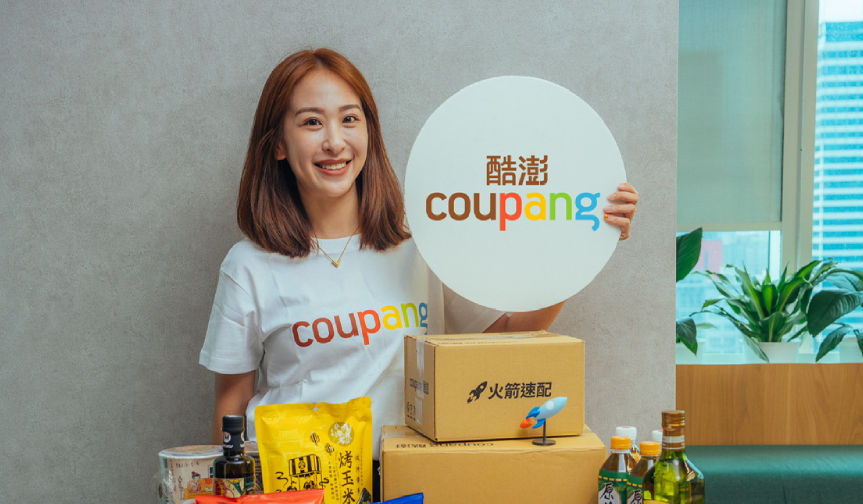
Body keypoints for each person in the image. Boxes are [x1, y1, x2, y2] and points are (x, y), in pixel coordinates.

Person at [199, 48, 638, 468]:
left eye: (349, 119)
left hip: (406, 485)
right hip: (295, 489)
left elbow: (505, 333)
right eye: (312, 122)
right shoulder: (248, 267)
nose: (334, 141)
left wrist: (583, 247)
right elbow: (231, 406)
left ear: (369, 133)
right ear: (278, 143)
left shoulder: (421, 241)